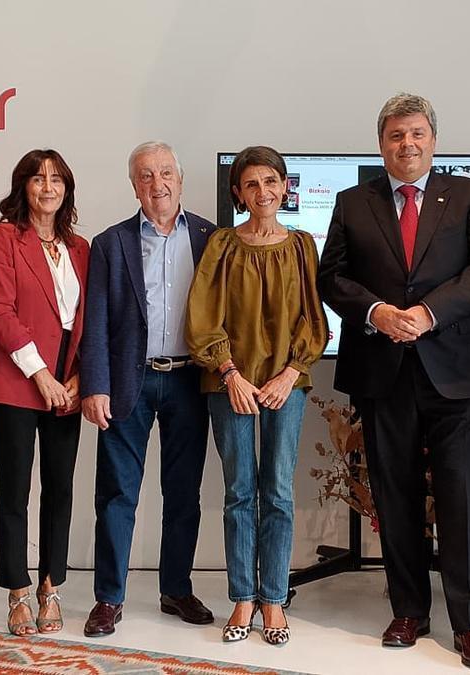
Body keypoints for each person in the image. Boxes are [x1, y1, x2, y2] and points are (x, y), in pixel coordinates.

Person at [317, 92, 470, 668]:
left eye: (417, 133)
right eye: (396, 135)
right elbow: (331, 277)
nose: (407, 144)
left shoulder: (469, 196)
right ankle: (408, 610)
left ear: (433, 140)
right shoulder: (353, 203)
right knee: (394, 494)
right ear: (381, 145)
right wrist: (377, 312)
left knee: (461, 497)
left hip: (456, 373)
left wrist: (429, 313)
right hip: (383, 370)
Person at [185, 145, 328, 645]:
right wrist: (230, 373)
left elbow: (313, 317)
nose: (262, 191)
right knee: (240, 492)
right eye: (251, 184)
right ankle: (243, 596)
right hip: (231, 384)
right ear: (238, 193)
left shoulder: (303, 245)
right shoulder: (222, 245)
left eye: (270, 181)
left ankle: (274, 599)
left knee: (279, 492)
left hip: (286, 383)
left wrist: (291, 372)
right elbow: (203, 317)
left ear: (285, 187)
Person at [78, 141, 216, 637]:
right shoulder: (110, 243)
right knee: (117, 493)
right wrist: (95, 385)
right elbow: (95, 320)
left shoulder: (210, 238)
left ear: (180, 179)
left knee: (183, 492)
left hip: (189, 380)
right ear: (134, 185)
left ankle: (176, 588)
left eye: (165, 173)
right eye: (145, 176)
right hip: (127, 382)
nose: (157, 184)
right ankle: (108, 598)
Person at [0, 149, 89, 636]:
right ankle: (18, 592)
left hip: (68, 384)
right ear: (23, 185)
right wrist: (40, 374)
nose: (48, 187)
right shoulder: (5, 237)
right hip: (17, 381)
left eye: (57, 179)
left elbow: (88, 320)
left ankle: (51, 587)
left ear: (67, 188)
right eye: (39, 178)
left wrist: (79, 377)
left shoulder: (80, 247)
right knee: (15, 491)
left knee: (60, 489)